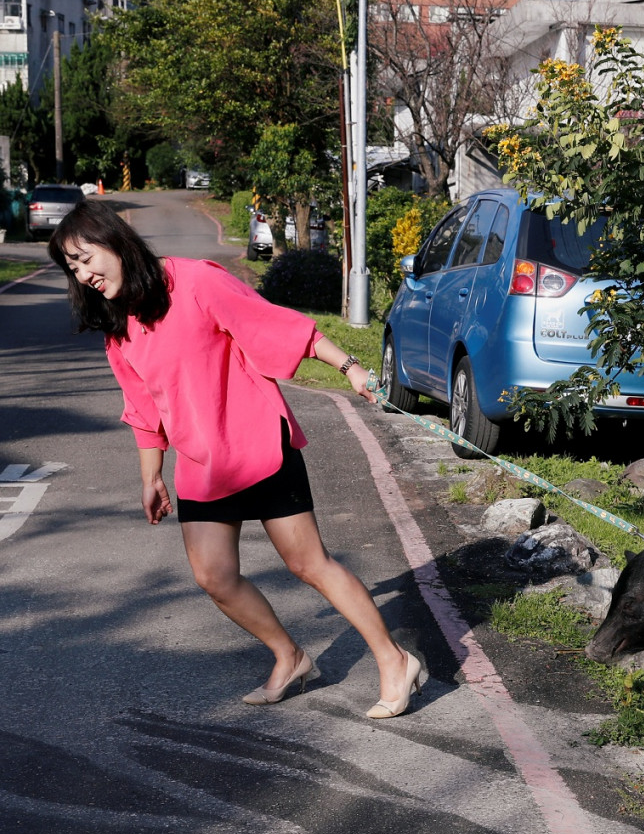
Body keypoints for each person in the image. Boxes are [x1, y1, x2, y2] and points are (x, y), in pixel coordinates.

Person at [47, 200, 425, 719]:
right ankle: (289, 656)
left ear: (115, 243)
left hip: (257, 443)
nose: (84, 275)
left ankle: (395, 659)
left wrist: (350, 366)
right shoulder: (119, 330)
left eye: (86, 258)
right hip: (203, 464)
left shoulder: (195, 282)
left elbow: (275, 326)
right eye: (72, 269)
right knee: (214, 577)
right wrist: (151, 477)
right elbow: (142, 410)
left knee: (308, 564)